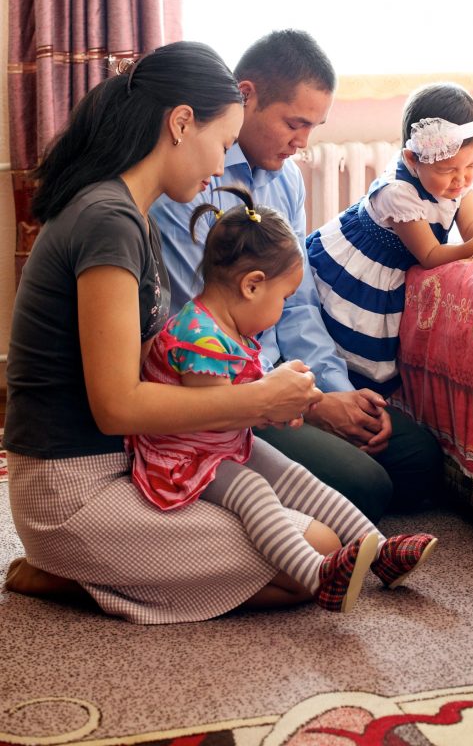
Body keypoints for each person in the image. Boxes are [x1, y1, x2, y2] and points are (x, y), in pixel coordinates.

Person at [2, 41, 339, 624]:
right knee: (311, 557)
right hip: (72, 489)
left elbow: (146, 367)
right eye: (223, 145)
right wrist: (259, 399)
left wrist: (239, 391)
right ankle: (67, 572)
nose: (219, 168)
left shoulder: (130, 215)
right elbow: (117, 406)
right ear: (182, 123)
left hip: (129, 465)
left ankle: (96, 568)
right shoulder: (109, 221)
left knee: (318, 537)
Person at [150, 30, 443, 523]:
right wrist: (309, 407)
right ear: (246, 96)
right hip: (227, 388)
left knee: (421, 459)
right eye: (294, 123)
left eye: (314, 127)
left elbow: (299, 302)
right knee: (366, 487)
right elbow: (197, 323)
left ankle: (317, 485)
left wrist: (332, 390)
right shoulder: (191, 181)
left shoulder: (286, 179)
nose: (303, 143)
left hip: (290, 380)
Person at [128, 186, 437, 613]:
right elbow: (219, 414)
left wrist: (281, 399)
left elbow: (245, 393)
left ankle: (381, 552)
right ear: (253, 286)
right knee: (255, 491)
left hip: (223, 448)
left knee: (297, 477)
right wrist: (269, 403)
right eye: (284, 298)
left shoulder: (230, 327)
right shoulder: (198, 337)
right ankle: (316, 575)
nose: (284, 307)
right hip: (186, 457)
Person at [306, 82, 473, 394]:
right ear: (412, 159)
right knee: (354, 343)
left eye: (472, 165)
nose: (461, 179)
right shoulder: (399, 194)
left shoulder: (455, 180)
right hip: (365, 266)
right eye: (448, 170)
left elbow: (472, 226)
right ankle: (340, 393)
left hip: (402, 257)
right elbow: (430, 255)